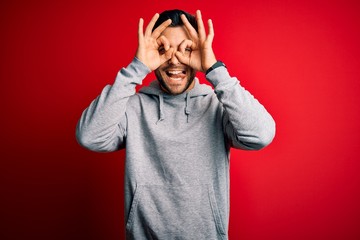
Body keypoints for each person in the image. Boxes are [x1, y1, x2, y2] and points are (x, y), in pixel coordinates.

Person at [76, 9, 275, 240]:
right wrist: (136, 68)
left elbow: (261, 134)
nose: (174, 59)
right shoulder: (133, 107)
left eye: (186, 49)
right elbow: (89, 136)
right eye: (163, 49)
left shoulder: (217, 106)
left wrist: (214, 69)